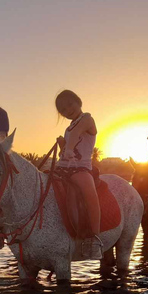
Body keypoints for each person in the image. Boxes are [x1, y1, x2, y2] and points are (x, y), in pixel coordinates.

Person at [55, 90, 102, 260]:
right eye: (64, 110)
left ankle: (94, 238)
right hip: (64, 167)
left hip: (81, 167)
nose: (68, 110)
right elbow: (70, 146)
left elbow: (76, 135)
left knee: (89, 192)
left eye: (70, 104)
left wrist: (68, 148)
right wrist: (63, 146)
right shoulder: (68, 128)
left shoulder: (87, 119)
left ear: (79, 101)